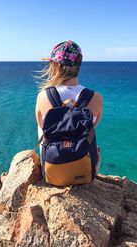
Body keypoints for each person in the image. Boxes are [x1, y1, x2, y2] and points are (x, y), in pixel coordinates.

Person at [35, 40, 103, 184]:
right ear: (79, 64)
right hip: (86, 172)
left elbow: (42, 127)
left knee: (41, 128)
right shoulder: (96, 98)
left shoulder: (43, 96)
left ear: (57, 66)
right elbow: (93, 127)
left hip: (51, 172)